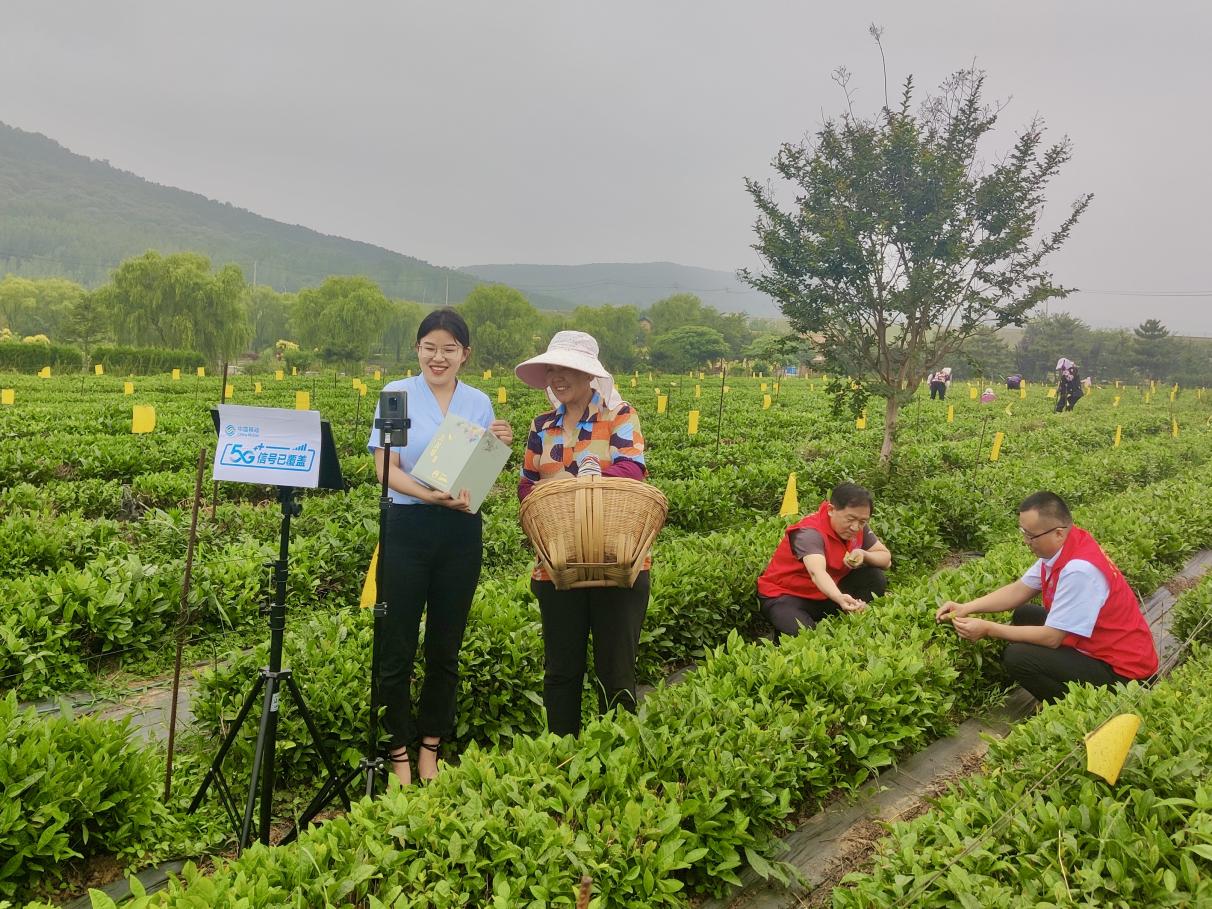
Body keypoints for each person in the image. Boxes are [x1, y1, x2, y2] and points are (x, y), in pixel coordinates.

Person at [367, 308, 513, 785]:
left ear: (464, 355)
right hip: (406, 525)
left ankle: (431, 745)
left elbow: (482, 476)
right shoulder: (396, 396)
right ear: (417, 350)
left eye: (449, 349)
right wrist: (425, 492)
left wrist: (498, 448)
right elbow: (384, 469)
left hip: (459, 532)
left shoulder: (478, 403)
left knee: (445, 646)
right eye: (430, 347)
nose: (439, 356)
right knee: (397, 645)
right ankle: (397, 753)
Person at [515, 331, 649, 737]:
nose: (558, 377)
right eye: (553, 369)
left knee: (616, 671)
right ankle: (562, 750)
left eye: (568, 369)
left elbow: (633, 468)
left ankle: (619, 754)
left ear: (591, 375)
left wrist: (592, 474)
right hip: (558, 563)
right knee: (560, 669)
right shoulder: (542, 425)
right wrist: (550, 493)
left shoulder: (618, 414)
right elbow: (526, 483)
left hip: (617, 560)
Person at [936, 491, 1158, 704]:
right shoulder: (1067, 545)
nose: (1026, 541)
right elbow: (1019, 590)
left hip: (1124, 675)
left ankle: (1075, 710)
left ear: (1058, 532)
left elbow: (1052, 637)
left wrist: (988, 628)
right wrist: (966, 607)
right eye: (1023, 532)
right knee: (1024, 614)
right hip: (1094, 644)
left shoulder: (1079, 570)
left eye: (1031, 536)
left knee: (1018, 657)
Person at [756, 483, 892, 638]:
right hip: (787, 596)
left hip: (826, 592)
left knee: (874, 577)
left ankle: (850, 615)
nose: (855, 527)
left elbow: (886, 560)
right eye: (851, 519)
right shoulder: (809, 533)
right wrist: (840, 598)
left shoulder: (859, 528)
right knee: (803, 635)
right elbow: (817, 572)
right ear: (831, 510)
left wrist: (864, 554)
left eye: (862, 521)